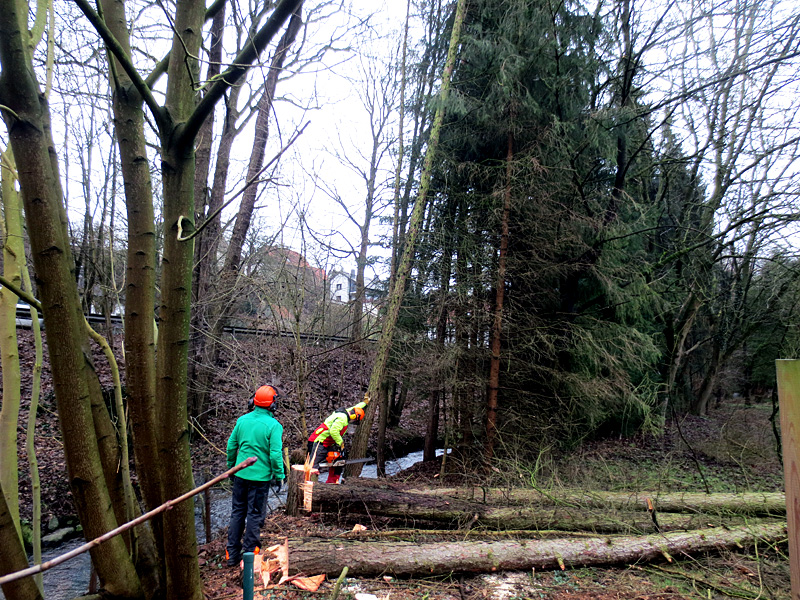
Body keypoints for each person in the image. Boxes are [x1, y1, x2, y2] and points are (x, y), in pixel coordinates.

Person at [225, 385, 285, 568]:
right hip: (259, 479)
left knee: (237, 512)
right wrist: (280, 474)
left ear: (254, 401)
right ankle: (250, 554)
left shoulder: (242, 421)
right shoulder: (274, 426)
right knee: (254, 514)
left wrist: (231, 469)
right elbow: (275, 454)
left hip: (240, 474)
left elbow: (231, 447)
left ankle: (232, 553)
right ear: (272, 405)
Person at [307, 398, 369, 483]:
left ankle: (332, 483)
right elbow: (334, 431)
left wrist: (365, 403)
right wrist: (341, 443)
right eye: (354, 421)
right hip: (318, 442)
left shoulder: (347, 412)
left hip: (327, 444)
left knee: (338, 461)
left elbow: (356, 407)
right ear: (353, 417)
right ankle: (308, 486)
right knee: (313, 466)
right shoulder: (342, 418)